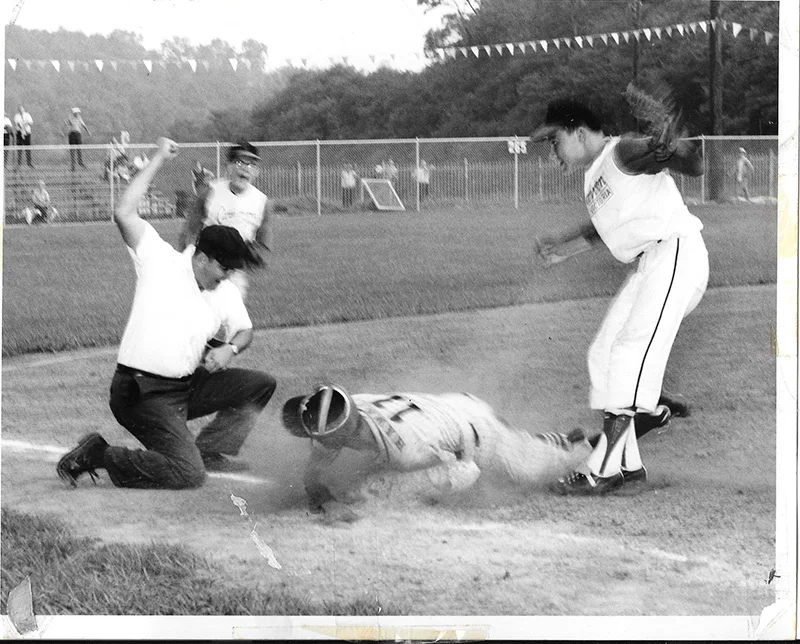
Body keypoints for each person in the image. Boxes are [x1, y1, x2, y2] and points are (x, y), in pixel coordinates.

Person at [56, 137, 277, 490]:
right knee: (187, 474)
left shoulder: (225, 289)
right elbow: (124, 212)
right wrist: (158, 157)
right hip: (141, 392)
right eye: (225, 267)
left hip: (185, 388)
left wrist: (229, 348)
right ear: (202, 257)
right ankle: (99, 453)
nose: (230, 274)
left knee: (260, 385)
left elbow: (244, 331)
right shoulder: (160, 261)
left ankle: (211, 449)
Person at [530, 97, 708, 495]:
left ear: (579, 132)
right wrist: (565, 246)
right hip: (651, 266)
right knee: (603, 353)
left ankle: (603, 468)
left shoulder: (623, 150)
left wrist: (672, 148)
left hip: (676, 254)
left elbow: (693, 165)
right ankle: (628, 464)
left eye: (555, 140)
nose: (553, 151)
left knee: (628, 353)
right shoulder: (596, 175)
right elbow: (606, 226)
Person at [282, 384, 593, 513]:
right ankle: (547, 442)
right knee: (523, 446)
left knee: (536, 469)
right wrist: (318, 491)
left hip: (476, 434)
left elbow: (465, 470)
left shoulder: (407, 448)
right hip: (447, 409)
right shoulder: (348, 409)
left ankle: (596, 447)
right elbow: (317, 465)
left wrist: (379, 498)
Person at [178, 140, 273, 309]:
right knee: (199, 321)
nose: (245, 168)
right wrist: (189, 261)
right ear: (228, 167)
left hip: (234, 272)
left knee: (231, 322)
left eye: (251, 164)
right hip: (206, 268)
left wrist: (250, 255)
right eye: (239, 162)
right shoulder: (211, 192)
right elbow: (189, 230)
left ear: (256, 172)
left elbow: (263, 244)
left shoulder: (262, 202)